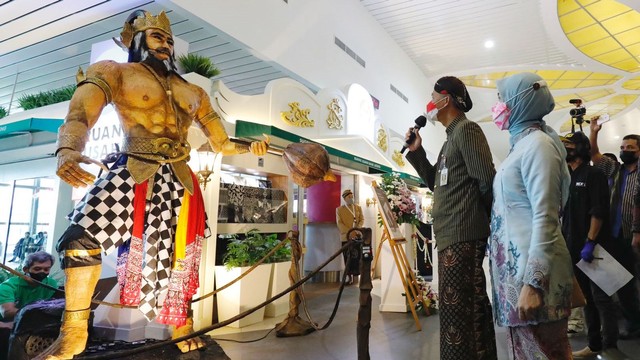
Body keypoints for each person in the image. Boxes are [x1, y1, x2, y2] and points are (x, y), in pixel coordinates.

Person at [36, 10, 268, 360]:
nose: (166, 45)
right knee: (79, 240)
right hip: (134, 168)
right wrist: (68, 150)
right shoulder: (114, 72)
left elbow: (221, 143)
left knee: (183, 254)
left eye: (169, 40)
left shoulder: (195, 92)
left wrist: (250, 146)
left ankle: (182, 324)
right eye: (158, 37)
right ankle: (74, 332)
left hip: (180, 175)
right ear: (139, 41)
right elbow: (80, 114)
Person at [404, 76, 497, 359]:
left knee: (462, 312)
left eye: (433, 96)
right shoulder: (450, 139)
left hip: (463, 234)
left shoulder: (467, 130)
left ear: (447, 99)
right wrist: (416, 151)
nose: (430, 103)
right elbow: (437, 182)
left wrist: (479, 219)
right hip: (451, 235)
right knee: (460, 310)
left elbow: (486, 180)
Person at [488, 72, 573, 359]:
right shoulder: (519, 147)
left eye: (503, 100)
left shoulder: (539, 145)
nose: (498, 106)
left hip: (534, 278)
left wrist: (534, 283)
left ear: (521, 101)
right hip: (516, 276)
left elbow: (546, 216)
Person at [560, 131, 620, 358]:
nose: (566, 148)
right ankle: (594, 344)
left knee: (602, 298)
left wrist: (591, 241)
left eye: (570, 145)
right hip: (573, 244)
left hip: (594, 246)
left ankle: (611, 345)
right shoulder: (569, 176)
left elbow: (598, 210)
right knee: (586, 298)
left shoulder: (593, 174)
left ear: (581, 148)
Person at [589, 118, 640, 339]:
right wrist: (593, 132)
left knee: (633, 282)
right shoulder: (615, 170)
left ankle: (634, 323)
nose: (624, 151)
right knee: (621, 283)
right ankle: (630, 323)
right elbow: (595, 156)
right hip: (614, 236)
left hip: (635, 235)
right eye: (622, 147)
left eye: (630, 148)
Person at [0, 252, 58, 360]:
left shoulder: (51, 284)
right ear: (26, 269)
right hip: (6, 325)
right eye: (37, 269)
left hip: (31, 325)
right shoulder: (8, 286)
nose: (42, 272)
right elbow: (7, 313)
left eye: (46, 269)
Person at [336, 189, 364, 285]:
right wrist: (349, 232)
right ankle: (348, 277)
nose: (351, 198)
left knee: (357, 257)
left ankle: (356, 278)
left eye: (352, 197)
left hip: (357, 236)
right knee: (347, 257)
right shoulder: (339, 210)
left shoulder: (358, 208)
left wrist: (357, 230)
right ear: (344, 198)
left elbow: (361, 219)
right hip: (346, 237)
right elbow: (339, 223)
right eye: (349, 197)